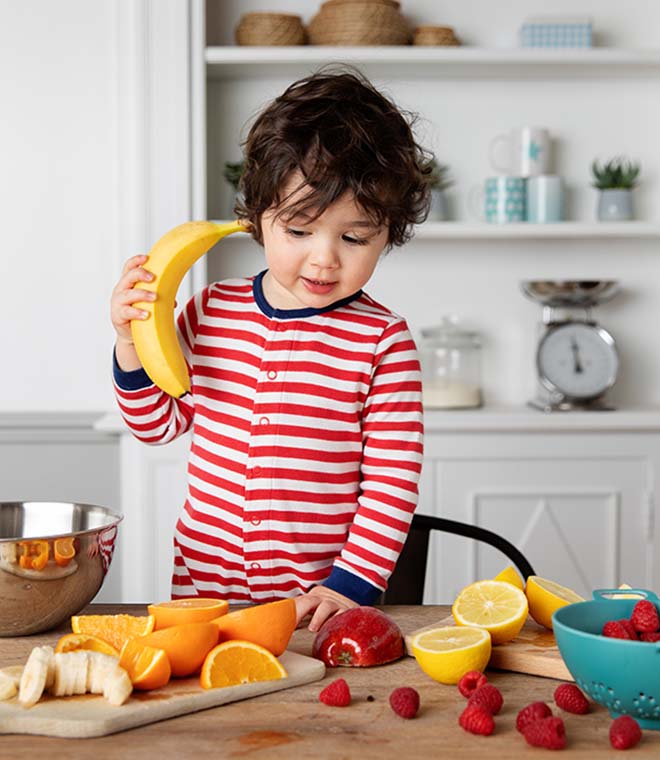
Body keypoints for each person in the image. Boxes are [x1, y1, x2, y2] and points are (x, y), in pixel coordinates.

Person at [110, 68, 430, 631]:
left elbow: (392, 481)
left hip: (317, 606)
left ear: (389, 233)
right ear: (258, 218)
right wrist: (128, 344)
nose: (325, 258)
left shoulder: (383, 341)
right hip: (204, 592)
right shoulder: (211, 309)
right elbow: (157, 424)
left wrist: (351, 583)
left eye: (355, 238)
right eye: (300, 230)